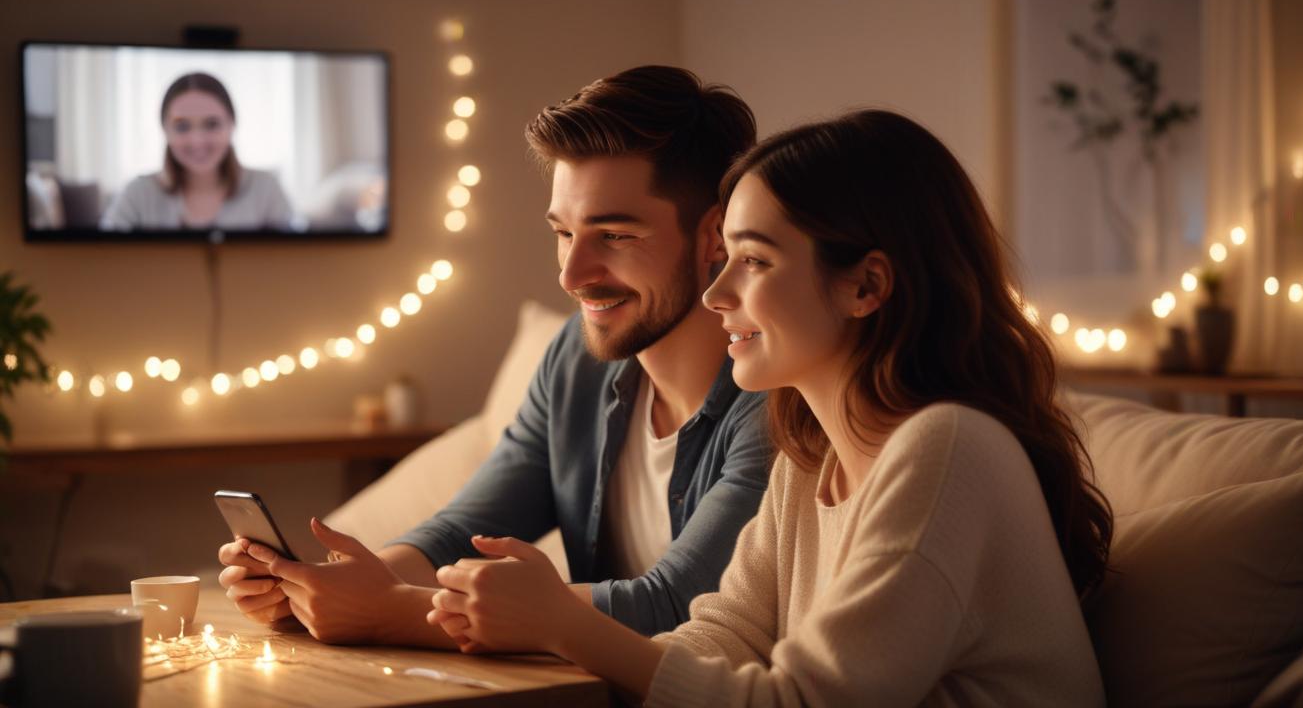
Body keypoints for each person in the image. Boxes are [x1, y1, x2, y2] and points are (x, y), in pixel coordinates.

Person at [418, 110, 1113, 706]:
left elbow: (799, 701)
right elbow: (720, 639)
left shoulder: (950, 448)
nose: (716, 293)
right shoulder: (810, 459)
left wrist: (562, 624)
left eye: (753, 260)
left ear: (866, 285)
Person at [218, 66, 772, 647]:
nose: (571, 275)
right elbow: (461, 531)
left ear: (716, 234)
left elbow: (679, 605)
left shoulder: (777, 393)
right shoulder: (575, 360)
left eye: (614, 235)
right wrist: (330, 588)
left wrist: (388, 611)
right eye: (564, 232)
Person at [100, 72, 293, 231]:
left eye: (212, 124)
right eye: (182, 126)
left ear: (232, 125)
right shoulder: (138, 193)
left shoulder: (266, 188)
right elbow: (102, 260)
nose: (197, 141)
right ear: (165, 130)